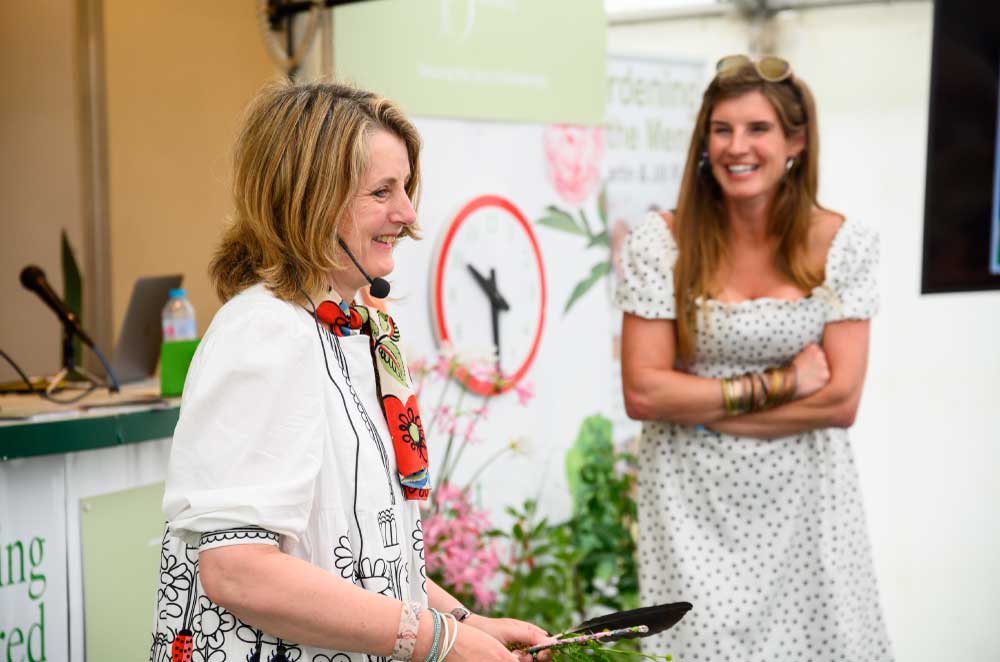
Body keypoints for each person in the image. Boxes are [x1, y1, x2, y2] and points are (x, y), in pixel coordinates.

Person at [149, 80, 549, 662]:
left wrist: (466, 621)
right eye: (382, 191)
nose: (408, 213)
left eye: (406, 187)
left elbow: (354, 556)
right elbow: (238, 571)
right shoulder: (264, 330)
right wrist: (443, 642)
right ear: (308, 199)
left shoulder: (350, 324)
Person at [615, 56, 892, 661]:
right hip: (690, 503)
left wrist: (696, 407)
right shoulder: (661, 242)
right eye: (722, 129)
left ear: (795, 140)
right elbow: (643, 393)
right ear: (704, 141)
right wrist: (787, 382)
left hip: (807, 498)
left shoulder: (844, 243)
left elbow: (841, 400)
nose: (737, 146)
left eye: (758, 128)